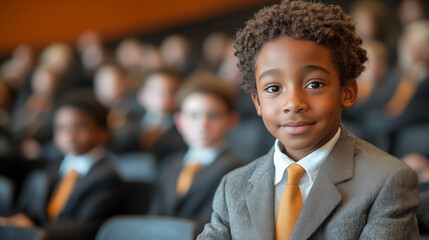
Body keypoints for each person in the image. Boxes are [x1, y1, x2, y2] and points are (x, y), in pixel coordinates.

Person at [197, 1, 419, 239]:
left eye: (314, 84)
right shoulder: (233, 187)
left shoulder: (387, 181)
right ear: (257, 103)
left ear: (348, 92)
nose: (293, 103)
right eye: (273, 88)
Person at [0, 90, 122, 240]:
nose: (69, 137)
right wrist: (13, 222)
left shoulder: (106, 177)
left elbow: (86, 228)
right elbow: (32, 214)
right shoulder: (54, 170)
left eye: (80, 127)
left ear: (104, 133)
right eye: (61, 128)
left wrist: (32, 229)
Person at [150, 72, 243, 232]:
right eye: (193, 115)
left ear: (232, 120)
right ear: (179, 121)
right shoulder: (170, 165)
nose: (202, 124)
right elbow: (152, 218)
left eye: (213, 115)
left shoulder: (236, 169)